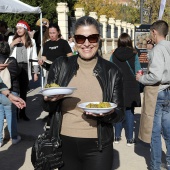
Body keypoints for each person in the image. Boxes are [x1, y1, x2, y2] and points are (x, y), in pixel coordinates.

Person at [42, 16, 124, 170]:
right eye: (81, 38)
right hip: (64, 143)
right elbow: (46, 108)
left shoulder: (112, 71)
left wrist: (107, 114)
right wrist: (50, 100)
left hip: (98, 146)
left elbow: (120, 113)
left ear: (99, 39)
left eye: (92, 38)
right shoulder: (61, 65)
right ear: (74, 40)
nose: (87, 44)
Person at [136, 20, 170, 170]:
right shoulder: (167, 47)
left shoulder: (158, 50)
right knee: (168, 131)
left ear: (154, 32)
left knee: (154, 132)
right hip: (168, 92)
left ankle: (155, 166)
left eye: (151, 33)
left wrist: (141, 79)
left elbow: (155, 75)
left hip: (158, 92)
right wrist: (150, 50)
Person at [38, 23, 73, 128]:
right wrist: (41, 62)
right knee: (50, 97)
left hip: (62, 75)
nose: (52, 35)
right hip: (50, 74)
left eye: (53, 33)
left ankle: (63, 120)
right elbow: (44, 58)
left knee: (61, 98)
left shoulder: (63, 43)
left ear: (58, 32)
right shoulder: (47, 44)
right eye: (50, 33)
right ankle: (51, 119)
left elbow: (70, 58)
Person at [110, 33, 141, 146]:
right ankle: (129, 139)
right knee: (129, 111)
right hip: (131, 86)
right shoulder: (134, 54)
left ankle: (117, 137)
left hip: (118, 86)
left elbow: (110, 69)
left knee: (118, 110)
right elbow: (138, 70)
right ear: (129, 42)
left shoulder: (114, 54)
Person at [8, 20, 39, 121]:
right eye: (17, 29)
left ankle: (23, 113)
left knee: (23, 91)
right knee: (14, 90)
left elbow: (34, 57)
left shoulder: (31, 41)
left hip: (25, 68)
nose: (18, 30)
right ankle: (15, 114)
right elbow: (5, 52)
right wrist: (13, 43)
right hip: (14, 67)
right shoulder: (11, 39)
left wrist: (35, 72)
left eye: (20, 28)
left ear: (25, 29)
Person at [0, 41, 21, 147]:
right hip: (10, 91)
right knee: (11, 115)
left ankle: (0, 140)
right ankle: (14, 137)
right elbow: (16, 73)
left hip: (0, 91)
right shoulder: (11, 60)